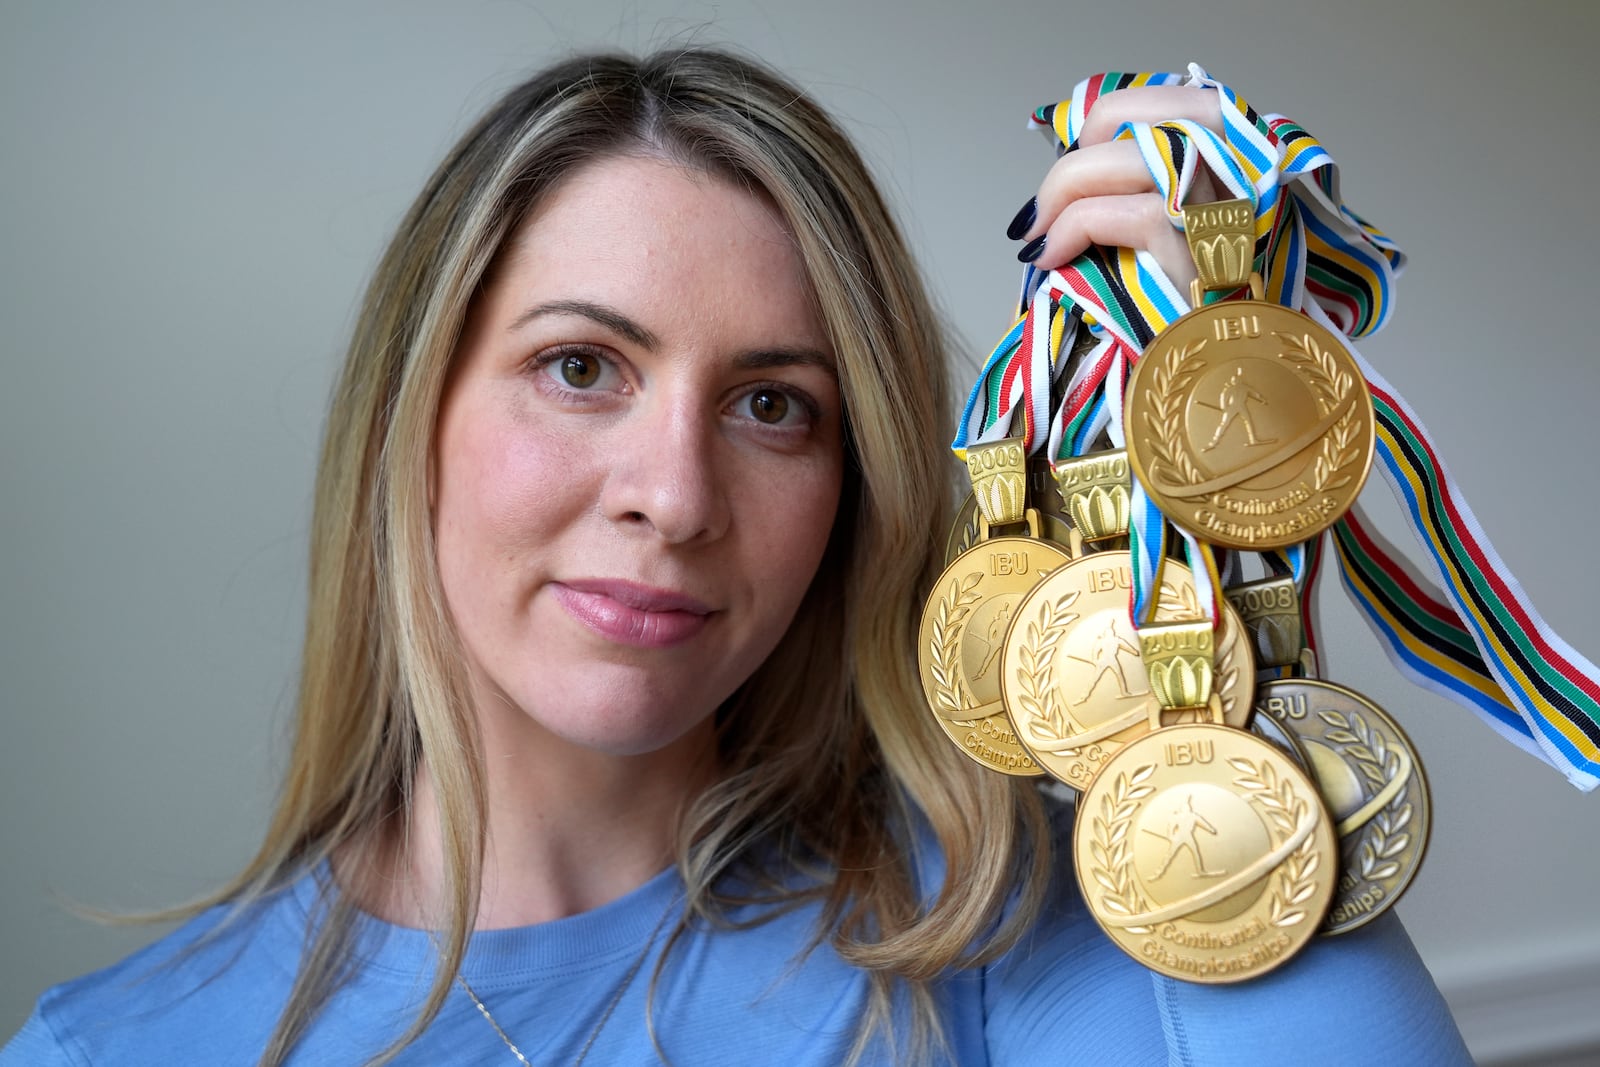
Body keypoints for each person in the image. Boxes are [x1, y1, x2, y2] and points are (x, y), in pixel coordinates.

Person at [1, 48, 1470, 1065]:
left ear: (852, 482)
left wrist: (1225, 524)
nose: (674, 495)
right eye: (581, 367)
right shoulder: (112, 1049)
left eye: (774, 407)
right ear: (412, 417)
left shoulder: (1006, 919)